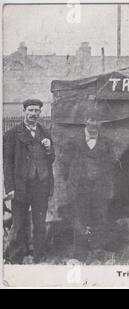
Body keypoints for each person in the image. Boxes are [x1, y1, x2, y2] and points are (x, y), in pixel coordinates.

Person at [3, 99, 55, 263]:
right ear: (24, 111)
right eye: (30, 110)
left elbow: (51, 159)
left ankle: (39, 255)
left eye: (37, 111)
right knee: (19, 223)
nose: (34, 114)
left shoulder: (45, 132)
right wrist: (10, 187)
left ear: (40, 113)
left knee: (40, 223)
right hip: (21, 186)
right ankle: (15, 257)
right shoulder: (11, 134)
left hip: (41, 184)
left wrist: (49, 149)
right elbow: (7, 163)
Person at [61, 118, 117, 261]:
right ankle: (80, 253)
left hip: (99, 187)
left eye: (97, 124)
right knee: (80, 218)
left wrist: (103, 181)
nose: (93, 127)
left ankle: (97, 251)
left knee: (99, 217)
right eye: (91, 123)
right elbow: (64, 165)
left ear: (101, 125)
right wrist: (74, 181)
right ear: (85, 123)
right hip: (80, 187)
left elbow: (111, 164)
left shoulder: (106, 143)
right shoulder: (73, 141)